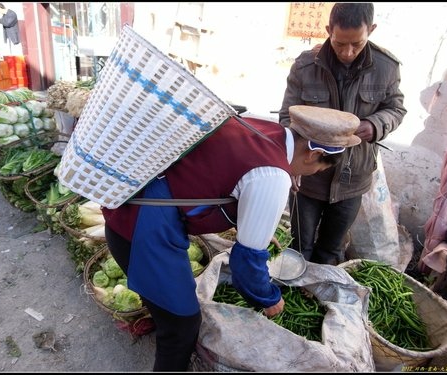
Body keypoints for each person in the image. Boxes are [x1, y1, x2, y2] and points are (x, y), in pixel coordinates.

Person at [101, 105, 361, 371]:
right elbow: (245, 266)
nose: (308, 177)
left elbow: (225, 178)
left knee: (170, 311)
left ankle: (163, 315)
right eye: (317, 171)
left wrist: (256, 229)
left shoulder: (259, 127)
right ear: (313, 154)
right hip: (143, 228)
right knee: (182, 327)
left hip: (137, 204)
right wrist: (268, 298)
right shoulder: (273, 175)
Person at [278, 3, 407, 266]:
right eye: (339, 44)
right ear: (328, 31)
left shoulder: (386, 67)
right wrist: (291, 164)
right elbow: (286, 117)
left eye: (357, 44)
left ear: (371, 30)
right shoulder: (305, 66)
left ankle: (322, 298)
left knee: (332, 250)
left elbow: (395, 109)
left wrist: (374, 125)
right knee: (300, 246)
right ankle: (291, 293)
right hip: (309, 179)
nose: (347, 52)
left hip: (353, 179)